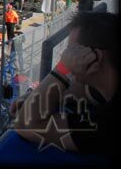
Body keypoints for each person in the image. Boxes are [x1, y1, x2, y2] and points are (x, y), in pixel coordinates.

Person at [11, 11, 119, 162]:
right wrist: (35, 95)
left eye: (71, 51)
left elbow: (26, 124)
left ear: (95, 57)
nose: (65, 56)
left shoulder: (108, 124)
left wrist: (62, 67)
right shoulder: (107, 85)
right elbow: (80, 91)